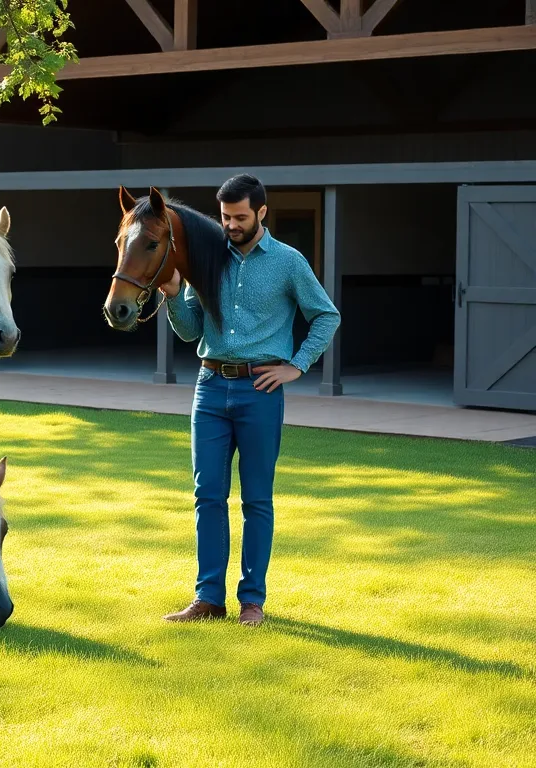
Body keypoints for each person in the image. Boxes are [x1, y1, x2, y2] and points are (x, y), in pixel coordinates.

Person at [159, 174, 341, 627]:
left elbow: (326, 315)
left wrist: (296, 365)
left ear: (262, 212)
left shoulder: (288, 262)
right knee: (207, 496)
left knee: (257, 499)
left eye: (240, 217)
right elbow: (191, 331)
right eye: (225, 217)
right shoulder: (207, 259)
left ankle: (252, 602)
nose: (231, 225)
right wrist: (172, 297)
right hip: (209, 387)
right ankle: (207, 599)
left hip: (261, 392)